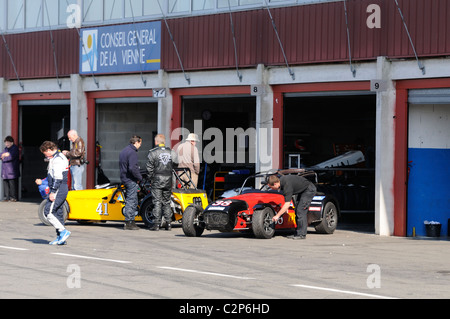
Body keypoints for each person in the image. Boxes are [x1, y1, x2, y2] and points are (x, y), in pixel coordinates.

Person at [37, 141, 71, 245]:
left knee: (48, 212)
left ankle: (63, 231)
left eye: (45, 153)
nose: (45, 155)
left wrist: (52, 192)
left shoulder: (57, 159)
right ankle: (61, 237)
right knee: (58, 213)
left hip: (59, 188)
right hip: (61, 188)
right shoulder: (57, 157)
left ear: (49, 150)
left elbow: (58, 178)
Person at [268, 174, 316, 240]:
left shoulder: (286, 185)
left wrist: (277, 215)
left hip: (309, 189)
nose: (271, 189)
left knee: (300, 211)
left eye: (271, 187)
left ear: (275, 184)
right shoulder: (281, 181)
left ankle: (301, 234)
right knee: (296, 210)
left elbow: (287, 204)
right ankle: (297, 232)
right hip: (302, 191)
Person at [146, 134, 177, 231]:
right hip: (168, 179)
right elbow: (176, 163)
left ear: (156, 142)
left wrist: (151, 178)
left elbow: (149, 168)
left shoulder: (153, 153)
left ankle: (156, 224)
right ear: (164, 142)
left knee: (157, 202)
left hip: (157, 180)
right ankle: (168, 223)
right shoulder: (171, 152)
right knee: (167, 202)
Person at [119, 135, 143, 230]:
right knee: (131, 200)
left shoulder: (124, 151)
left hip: (125, 178)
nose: (140, 145)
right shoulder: (132, 153)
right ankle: (129, 222)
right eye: (140, 143)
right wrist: (140, 177)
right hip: (130, 179)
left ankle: (131, 221)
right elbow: (132, 168)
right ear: (136, 142)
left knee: (132, 199)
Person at [1, 136, 20, 202]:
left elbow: (11, 157)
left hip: (12, 170)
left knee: (12, 184)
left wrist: (5, 156)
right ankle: (6, 197)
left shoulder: (15, 148)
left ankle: (13, 197)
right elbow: (1, 155)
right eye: (6, 143)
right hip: (5, 170)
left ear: (12, 142)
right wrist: (4, 155)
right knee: (5, 183)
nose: (7, 144)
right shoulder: (6, 148)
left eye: (8, 142)